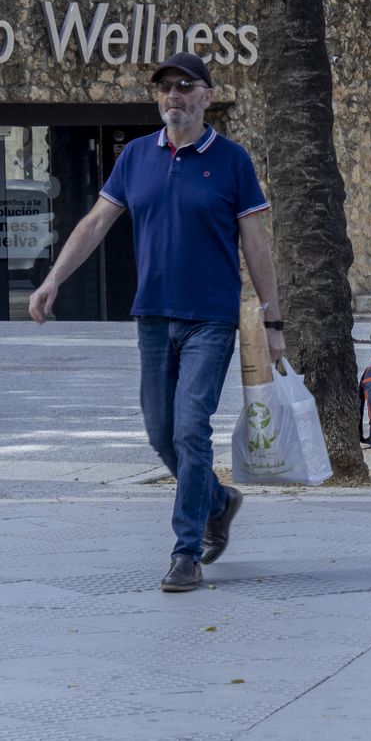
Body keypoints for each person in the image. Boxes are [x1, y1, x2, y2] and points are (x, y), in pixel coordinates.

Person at [28, 52, 281, 593]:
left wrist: (271, 317)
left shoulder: (231, 161)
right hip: (151, 317)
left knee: (192, 429)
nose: (174, 96)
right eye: (165, 88)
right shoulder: (138, 156)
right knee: (161, 434)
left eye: (185, 87)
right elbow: (96, 223)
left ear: (207, 96)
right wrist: (53, 279)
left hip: (210, 320)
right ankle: (219, 500)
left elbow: (256, 244)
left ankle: (185, 551)